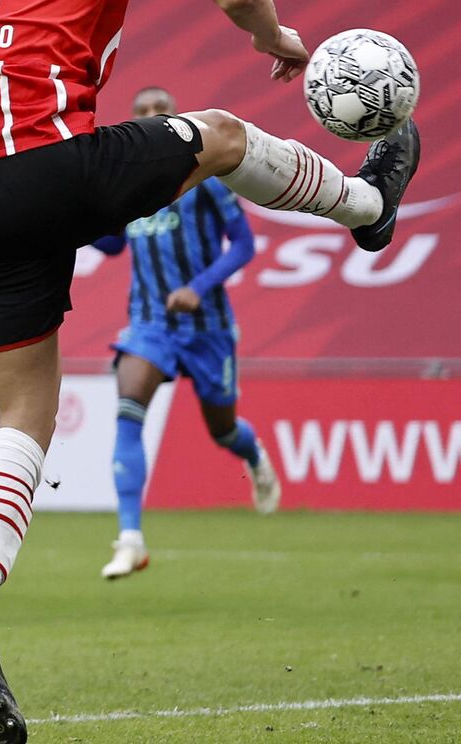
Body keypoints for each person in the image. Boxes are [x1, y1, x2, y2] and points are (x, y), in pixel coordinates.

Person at [0, 0, 419, 743]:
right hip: (50, 161)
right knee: (227, 137)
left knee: (25, 412)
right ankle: (368, 206)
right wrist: (273, 36)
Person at [92, 86, 279, 581]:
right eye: (142, 111)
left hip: (208, 327)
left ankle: (254, 456)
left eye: (161, 110)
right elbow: (111, 244)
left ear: (177, 119)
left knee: (222, 429)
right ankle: (130, 537)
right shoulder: (124, 187)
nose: (151, 117)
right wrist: (66, 219)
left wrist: (197, 287)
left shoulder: (208, 178)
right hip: (150, 323)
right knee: (129, 409)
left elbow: (243, 246)